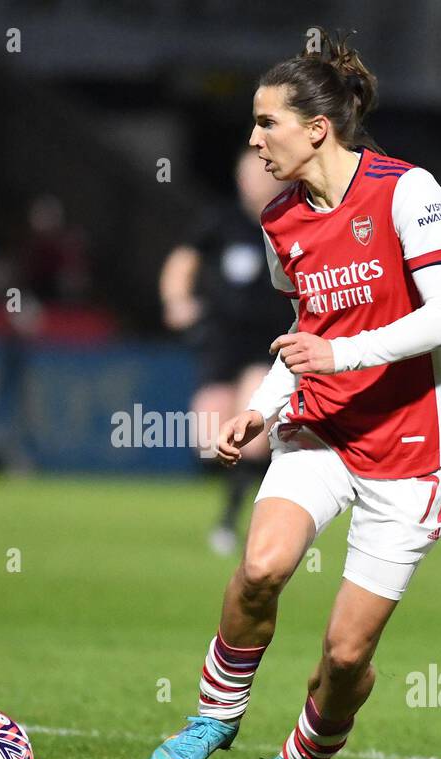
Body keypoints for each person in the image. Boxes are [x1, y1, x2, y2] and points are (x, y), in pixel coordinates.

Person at [148, 30, 441, 759]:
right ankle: (215, 714)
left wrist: (345, 355)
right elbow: (304, 340)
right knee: (261, 566)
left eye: (267, 124)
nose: (254, 141)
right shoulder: (280, 223)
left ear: (317, 127)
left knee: (345, 653)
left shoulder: (408, 191)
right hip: (322, 428)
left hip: (413, 446)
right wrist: (257, 413)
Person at [160, 149, 286, 554]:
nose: (253, 181)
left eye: (260, 173)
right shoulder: (221, 221)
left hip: (267, 340)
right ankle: (243, 500)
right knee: (208, 438)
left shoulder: (290, 220)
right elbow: (182, 261)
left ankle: (231, 521)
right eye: (245, 174)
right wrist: (177, 300)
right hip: (220, 338)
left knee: (252, 436)